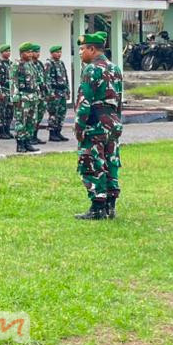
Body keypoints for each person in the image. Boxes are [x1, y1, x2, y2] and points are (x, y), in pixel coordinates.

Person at [73, 32, 124, 221]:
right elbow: (119, 99)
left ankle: (97, 208)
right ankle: (110, 206)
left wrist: (79, 127)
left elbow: (84, 101)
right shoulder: (115, 68)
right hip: (112, 123)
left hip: (95, 123)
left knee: (92, 162)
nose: (80, 53)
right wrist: (117, 121)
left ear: (92, 49)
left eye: (82, 49)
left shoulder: (91, 69)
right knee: (111, 162)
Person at [12, 43, 42, 153]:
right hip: (23, 97)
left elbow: (36, 81)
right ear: (21, 53)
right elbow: (13, 82)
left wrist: (38, 94)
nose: (30, 54)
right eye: (28, 52)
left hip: (33, 97)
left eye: (31, 52)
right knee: (21, 121)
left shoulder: (31, 64)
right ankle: (20, 144)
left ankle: (27, 142)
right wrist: (16, 98)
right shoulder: (16, 65)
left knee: (32, 121)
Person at [45, 45, 71, 142]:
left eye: (60, 52)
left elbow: (65, 77)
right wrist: (50, 92)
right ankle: (52, 133)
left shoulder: (61, 63)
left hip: (62, 92)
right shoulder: (49, 63)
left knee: (61, 113)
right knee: (53, 113)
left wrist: (68, 90)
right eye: (57, 52)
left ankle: (58, 132)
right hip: (54, 92)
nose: (59, 54)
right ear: (52, 53)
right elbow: (47, 79)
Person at [0, 44, 15, 140]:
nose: (8, 53)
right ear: (1, 53)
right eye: (6, 51)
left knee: (10, 112)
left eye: (9, 51)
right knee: (1, 112)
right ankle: (2, 132)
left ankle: (7, 130)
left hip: (10, 91)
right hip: (2, 90)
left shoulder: (11, 64)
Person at [32, 46, 49, 144]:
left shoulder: (40, 64)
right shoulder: (29, 64)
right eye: (35, 52)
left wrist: (47, 92)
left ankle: (35, 136)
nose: (37, 54)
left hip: (41, 94)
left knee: (39, 115)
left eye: (38, 52)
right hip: (33, 94)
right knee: (32, 117)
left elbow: (44, 78)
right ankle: (30, 137)